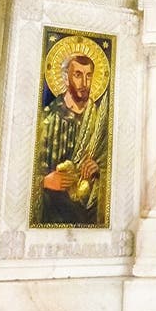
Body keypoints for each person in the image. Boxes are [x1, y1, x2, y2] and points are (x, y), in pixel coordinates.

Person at [33, 54, 106, 225]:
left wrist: (97, 171)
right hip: (52, 213)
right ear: (66, 78)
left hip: (88, 217)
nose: (85, 83)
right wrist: (44, 181)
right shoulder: (48, 118)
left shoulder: (101, 121)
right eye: (78, 75)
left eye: (89, 76)